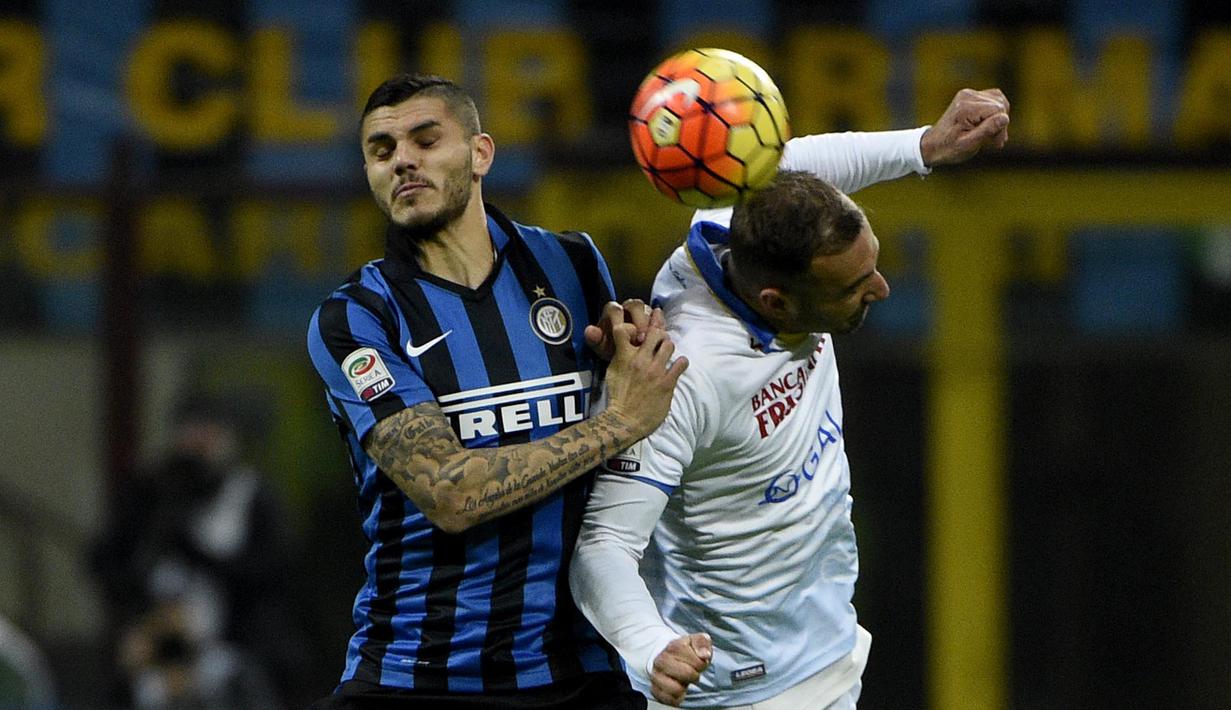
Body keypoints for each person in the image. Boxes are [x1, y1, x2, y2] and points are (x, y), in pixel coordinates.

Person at [570, 89, 1011, 708]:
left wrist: (925, 146)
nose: (881, 289)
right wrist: (651, 646)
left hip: (826, 648)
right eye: (856, 285)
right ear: (776, 301)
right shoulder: (679, 372)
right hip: (736, 690)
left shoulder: (735, 221)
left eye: (873, 266)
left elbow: (796, 164)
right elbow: (603, 546)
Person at [305, 73, 687, 709]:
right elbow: (450, 492)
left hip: (579, 672)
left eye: (426, 140)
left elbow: (641, 383)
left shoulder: (572, 265)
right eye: (381, 150)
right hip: (416, 675)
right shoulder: (356, 318)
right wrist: (617, 423)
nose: (403, 160)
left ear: (481, 154)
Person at [91, 394, 300, 708]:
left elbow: (271, 574)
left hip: (231, 645)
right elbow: (106, 559)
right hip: (157, 646)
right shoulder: (150, 493)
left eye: (210, 433)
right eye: (192, 433)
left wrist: (197, 554)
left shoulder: (249, 495)